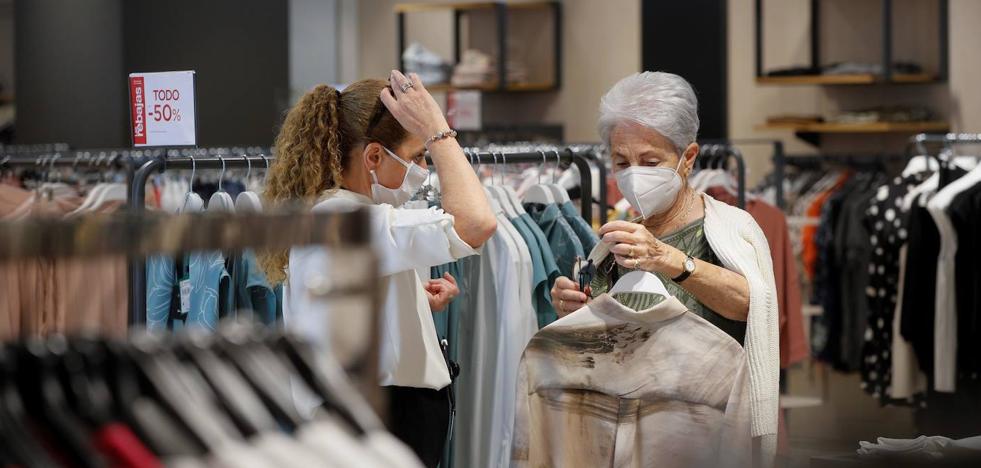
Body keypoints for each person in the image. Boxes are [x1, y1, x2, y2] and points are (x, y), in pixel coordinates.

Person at [261, 71, 497, 467]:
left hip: (378, 414)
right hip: (380, 418)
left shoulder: (344, 215)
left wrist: (409, 302)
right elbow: (476, 222)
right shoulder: (348, 222)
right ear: (373, 157)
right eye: (417, 156)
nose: (423, 169)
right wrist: (438, 131)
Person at [549, 71, 780, 462]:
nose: (634, 173)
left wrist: (670, 259)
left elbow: (752, 304)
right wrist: (573, 310)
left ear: (688, 158)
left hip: (705, 435)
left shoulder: (730, 228)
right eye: (621, 161)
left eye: (650, 161)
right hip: (623, 437)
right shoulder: (612, 245)